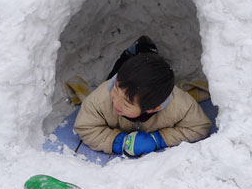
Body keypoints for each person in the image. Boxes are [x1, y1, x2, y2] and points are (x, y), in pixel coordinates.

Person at [73, 37, 212, 157]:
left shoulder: (180, 105)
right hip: (124, 78)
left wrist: (159, 139)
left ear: (153, 108)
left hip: (147, 90)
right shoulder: (102, 98)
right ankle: (135, 53)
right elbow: (85, 127)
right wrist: (117, 141)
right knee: (122, 74)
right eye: (115, 91)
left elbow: (199, 127)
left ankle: (146, 53)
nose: (116, 103)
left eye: (126, 104)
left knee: (149, 81)